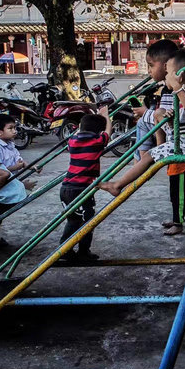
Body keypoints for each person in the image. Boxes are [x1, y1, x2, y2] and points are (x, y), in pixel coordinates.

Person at [99, 48, 185, 199]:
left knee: (148, 155)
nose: (166, 77)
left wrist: (177, 88)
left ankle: (117, 185)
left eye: (168, 74)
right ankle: (159, 148)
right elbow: (184, 114)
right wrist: (170, 114)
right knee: (159, 112)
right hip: (184, 139)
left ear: (179, 78)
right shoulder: (183, 93)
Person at [144, 39, 185, 236]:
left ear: (166, 66)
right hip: (173, 143)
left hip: (179, 145)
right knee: (174, 187)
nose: (148, 71)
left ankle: (178, 222)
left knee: (178, 186)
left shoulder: (178, 90)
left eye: (150, 65)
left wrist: (148, 114)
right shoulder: (166, 90)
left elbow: (170, 115)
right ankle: (175, 218)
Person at [59, 106, 112, 261]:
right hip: (81, 189)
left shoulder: (73, 141)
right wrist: (106, 116)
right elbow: (108, 132)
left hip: (66, 188)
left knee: (74, 220)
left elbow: (86, 129)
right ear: (98, 132)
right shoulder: (96, 142)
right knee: (87, 221)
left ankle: (70, 249)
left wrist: (94, 117)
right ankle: (71, 250)